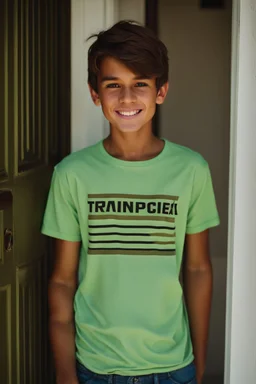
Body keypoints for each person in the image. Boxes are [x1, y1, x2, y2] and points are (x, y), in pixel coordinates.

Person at [41, 20, 220, 384]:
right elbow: (62, 280)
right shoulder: (71, 174)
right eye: (113, 86)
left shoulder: (191, 170)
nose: (126, 99)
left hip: (172, 367)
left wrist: (199, 364)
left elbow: (199, 270)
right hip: (95, 368)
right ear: (95, 94)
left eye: (140, 84)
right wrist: (64, 372)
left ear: (161, 91)